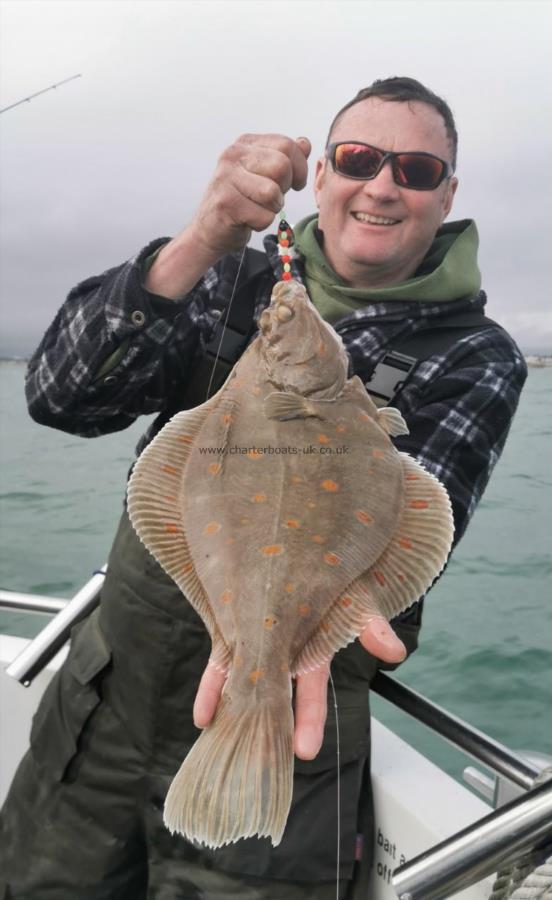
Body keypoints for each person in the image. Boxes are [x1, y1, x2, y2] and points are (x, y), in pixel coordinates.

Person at [0, 77, 527, 899]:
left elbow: (422, 526)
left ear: (447, 193)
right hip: (108, 698)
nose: (384, 184)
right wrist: (203, 237)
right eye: (359, 158)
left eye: (417, 170)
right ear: (322, 175)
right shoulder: (230, 280)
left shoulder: (474, 351)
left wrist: (275, 650)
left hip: (290, 724)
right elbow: (62, 397)